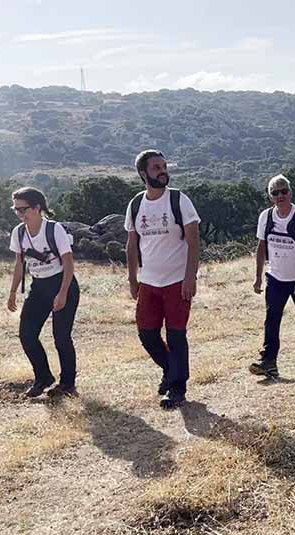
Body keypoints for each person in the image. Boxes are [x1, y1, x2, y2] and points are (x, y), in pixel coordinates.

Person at [125, 149, 201, 410]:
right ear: (143, 173)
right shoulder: (136, 204)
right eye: (156, 167)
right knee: (147, 333)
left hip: (177, 281)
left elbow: (194, 242)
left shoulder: (179, 200)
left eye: (164, 166)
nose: (162, 170)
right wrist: (133, 279)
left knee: (176, 334)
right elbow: (131, 244)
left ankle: (178, 388)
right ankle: (171, 370)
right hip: (149, 282)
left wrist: (190, 278)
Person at [7, 187, 80, 398]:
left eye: (24, 209)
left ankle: (68, 384)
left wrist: (63, 292)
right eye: (17, 210)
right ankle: (43, 377)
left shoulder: (54, 229)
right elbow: (19, 264)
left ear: (37, 207)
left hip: (61, 283)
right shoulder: (19, 233)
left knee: (61, 337)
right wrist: (12, 291)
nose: (20, 214)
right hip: (38, 287)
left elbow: (68, 263)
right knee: (27, 335)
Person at [249, 175, 295, 379]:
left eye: (283, 191)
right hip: (276, 277)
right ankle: (269, 361)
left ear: (290, 192)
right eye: (275, 193)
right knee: (272, 318)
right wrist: (258, 276)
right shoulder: (266, 217)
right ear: (270, 196)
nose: (280, 196)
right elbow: (261, 247)